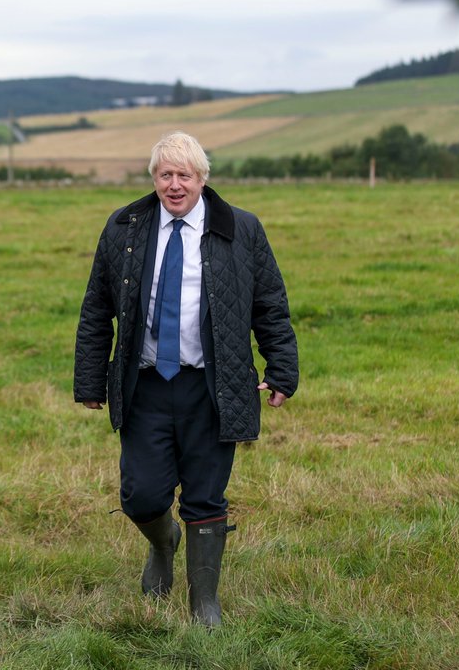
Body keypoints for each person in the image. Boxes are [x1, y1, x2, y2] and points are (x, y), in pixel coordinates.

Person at [73, 130, 298, 626]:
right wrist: (90, 379)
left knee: (204, 493)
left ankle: (205, 603)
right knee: (141, 495)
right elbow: (97, 309)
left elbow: (270, 307)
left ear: (202, 179)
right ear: (154, 178)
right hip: (146, 383)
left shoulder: (241, 228)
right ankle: (163, 541)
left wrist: (282, 368)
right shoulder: (124, 226)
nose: (174, 185)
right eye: (165, 175)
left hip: (213, 387)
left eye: (184, 175)